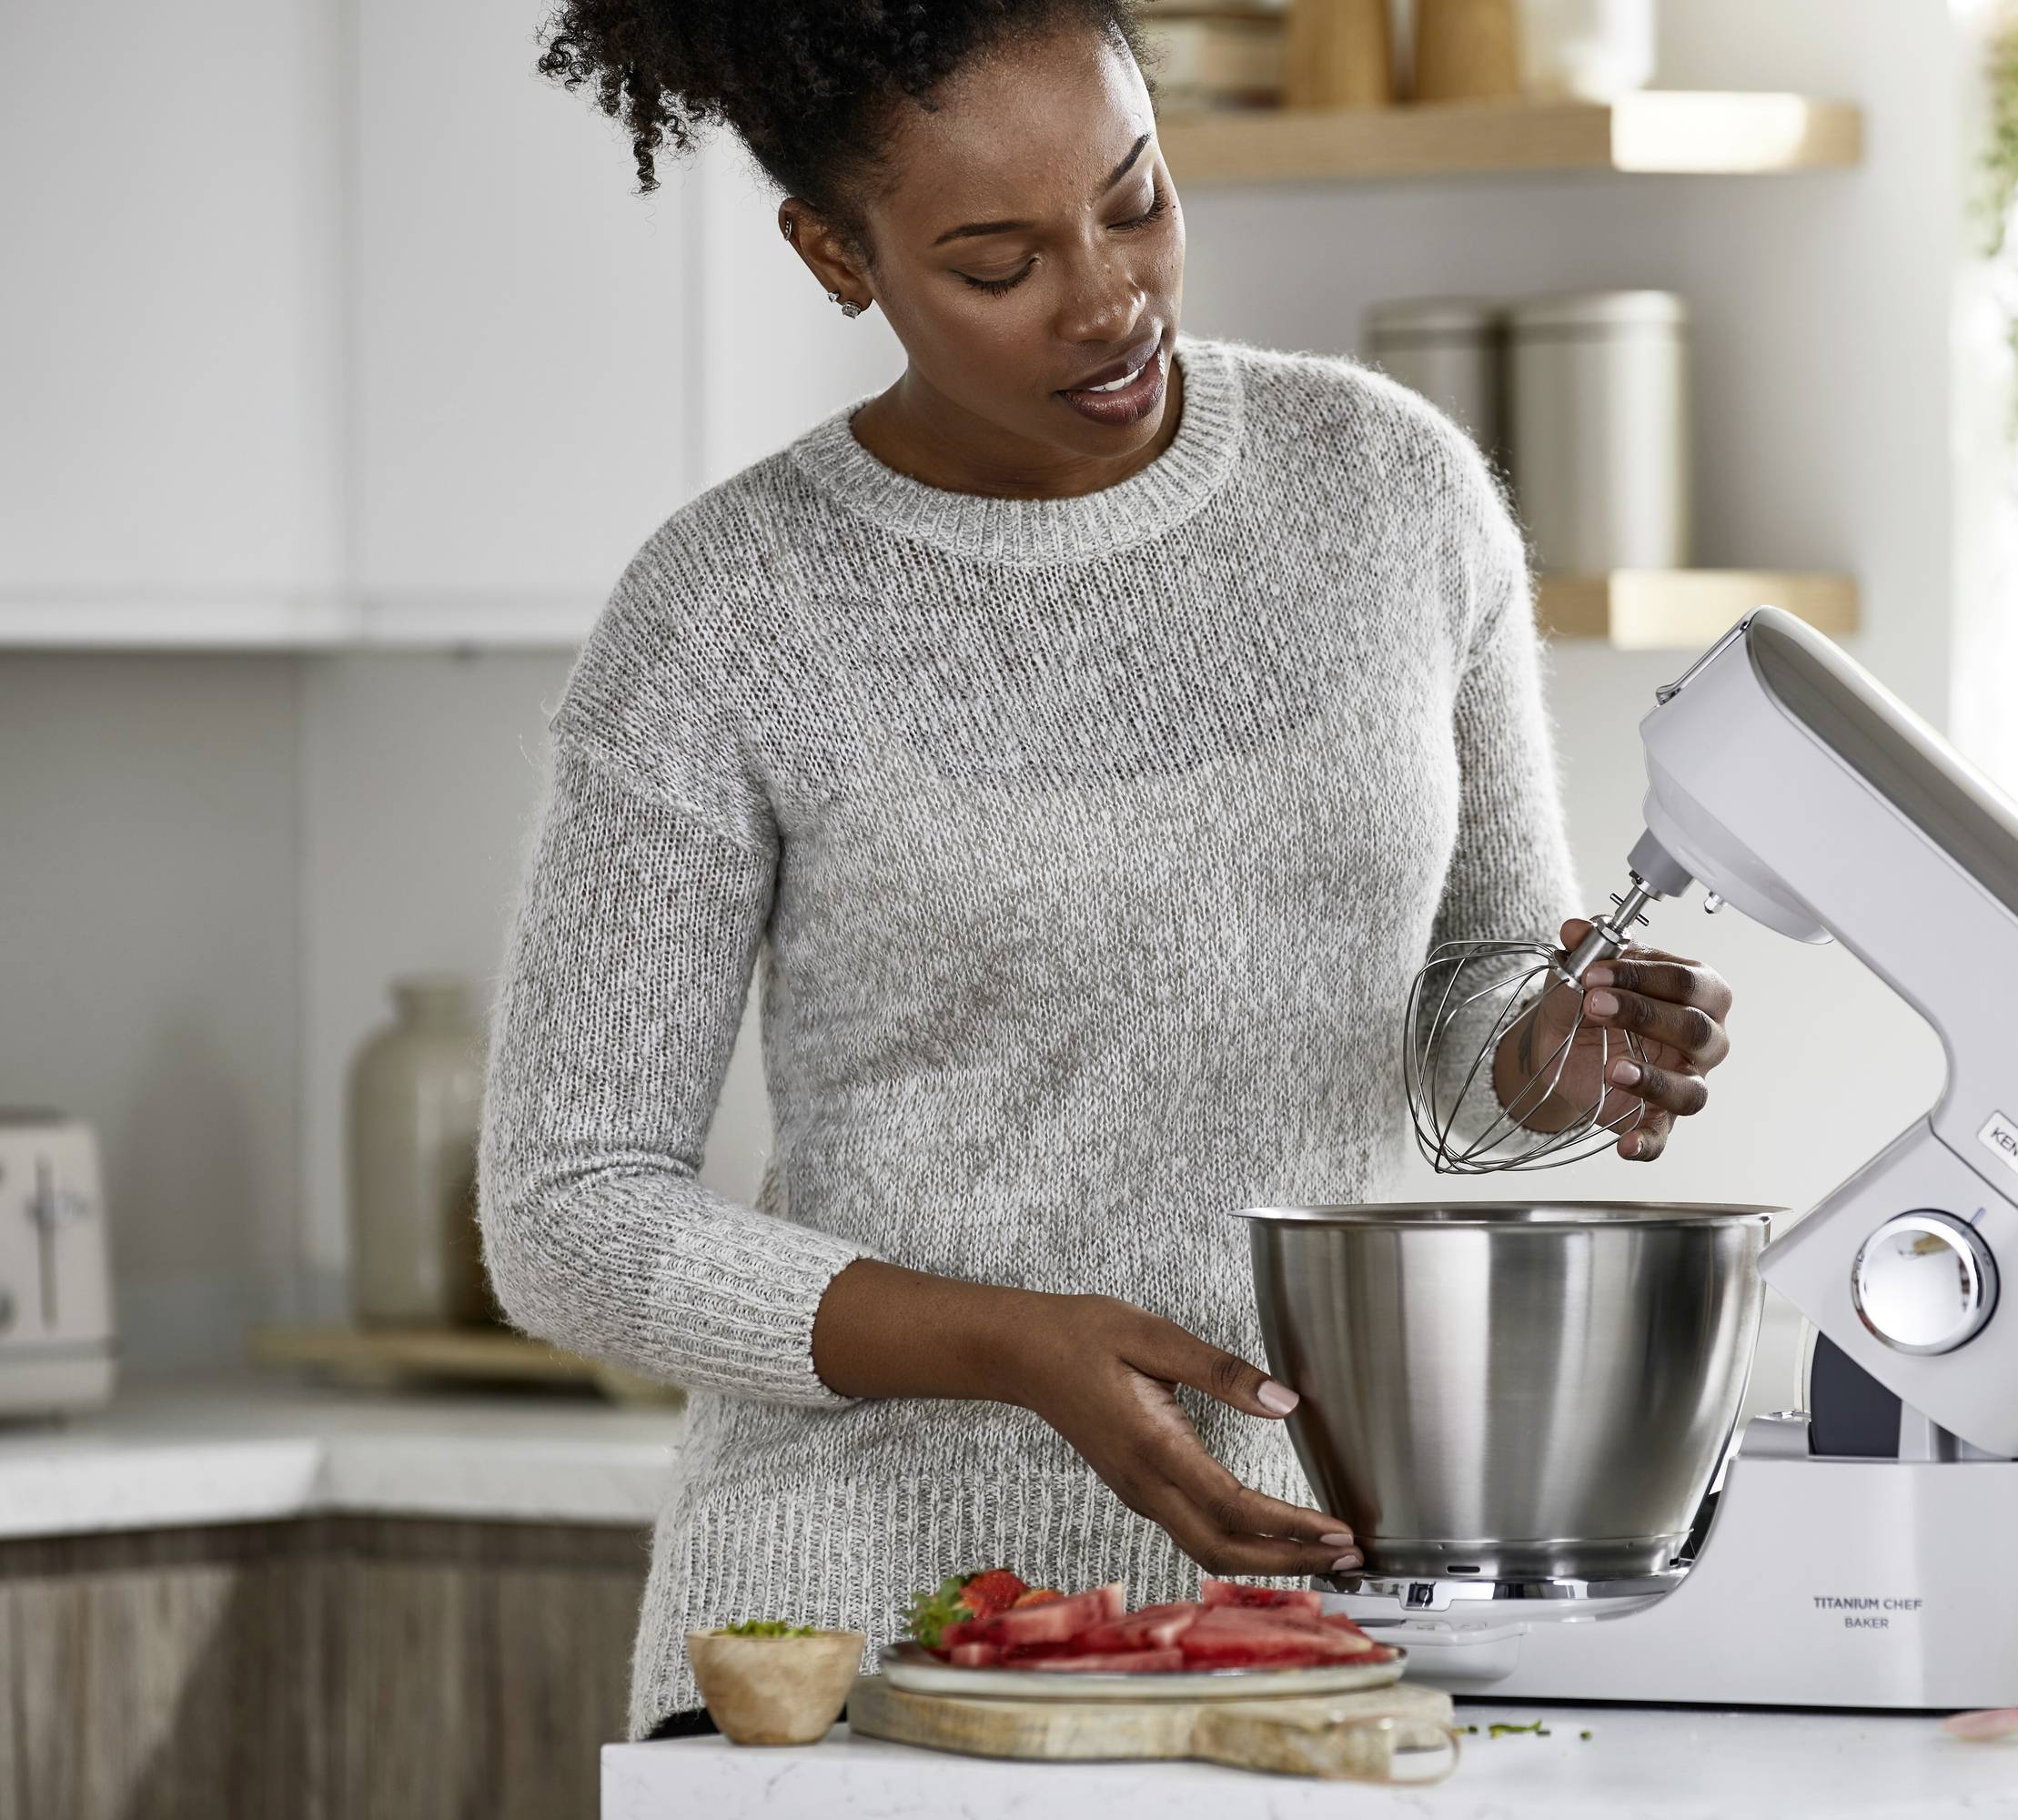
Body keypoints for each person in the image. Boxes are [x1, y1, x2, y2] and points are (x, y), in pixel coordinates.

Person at [479, 0, 1737, 1737]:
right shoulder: (722, 615)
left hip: (1300, 1608)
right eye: (997, 263)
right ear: (835, 252)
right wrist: (1017, 1343)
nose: (1107, 298)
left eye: (1134, 201)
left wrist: (1560, 1051)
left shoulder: (1388, 494)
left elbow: (1472, 1032)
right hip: (855, 1640)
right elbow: (566, 1215)